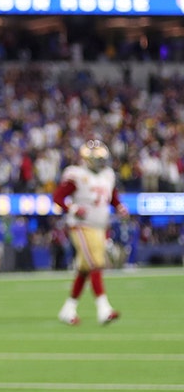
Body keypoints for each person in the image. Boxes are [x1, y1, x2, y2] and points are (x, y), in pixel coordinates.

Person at [52, 139, 127, 326]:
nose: (101, 162)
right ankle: (104, 310)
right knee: (96, 263)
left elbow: (112, 197)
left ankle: (67, 310)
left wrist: (119, 207)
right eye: (98, 158)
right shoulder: (77, 174)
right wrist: (72, 208)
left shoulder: (107, 175)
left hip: (100, 227)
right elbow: (58, 197)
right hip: (81, 226)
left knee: (85, 270)